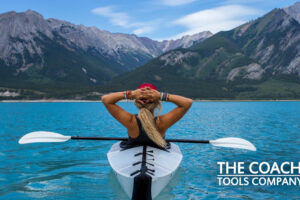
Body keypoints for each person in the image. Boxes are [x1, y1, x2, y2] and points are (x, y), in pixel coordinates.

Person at [101, 83, 193, 148]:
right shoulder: (162, 122)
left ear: (137, 102)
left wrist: (131, 94)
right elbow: (187, 102)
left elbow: (106, 99)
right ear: (157, 102)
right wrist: (161, 95)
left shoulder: (130, 121)